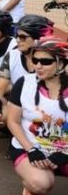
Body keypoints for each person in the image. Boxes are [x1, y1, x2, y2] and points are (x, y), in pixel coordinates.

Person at [6, 37, 68, 195]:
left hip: (64, 150)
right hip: (29, 148)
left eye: (46, 62)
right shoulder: (24, 83)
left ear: (61, 63)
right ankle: (30, 186)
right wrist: (32, 150)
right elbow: (13, 121)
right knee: (40, 184)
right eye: (35, 60)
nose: (38, 66)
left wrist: (65, 153)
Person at [0, 15, 55, 128]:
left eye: (23, 37)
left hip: (48, 108)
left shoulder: (53, 60)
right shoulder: (12, 56)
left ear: (38, 39)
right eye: (17, 36)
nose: (18, 40)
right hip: (23, 105)